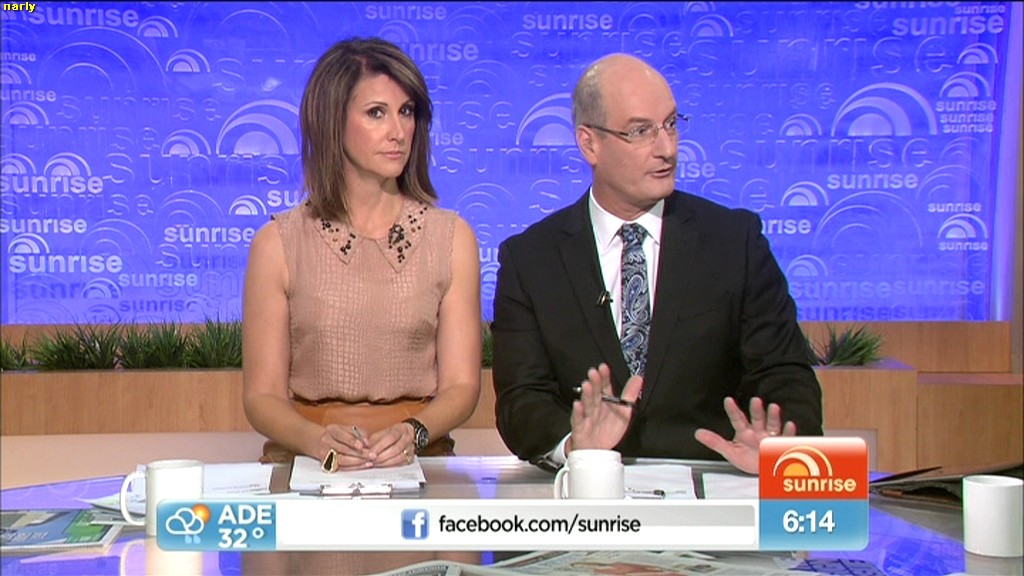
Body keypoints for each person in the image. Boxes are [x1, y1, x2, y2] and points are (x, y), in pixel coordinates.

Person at [491, 53, 822, 475]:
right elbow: (521, 402)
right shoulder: (532, 259)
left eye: (670, 125)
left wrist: (779, 446)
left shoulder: (734, 242)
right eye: (640, 131)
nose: (667, 149)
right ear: (589, 143)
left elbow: (786, 376)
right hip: (591, 494)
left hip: (714, 488)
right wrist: (577, 446)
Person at [242, 37, 481, 470]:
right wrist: (315, 440)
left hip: (416, 458)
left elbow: (462, 387)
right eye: (376, 113)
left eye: (406, 112)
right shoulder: (278, 244)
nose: (398, 132)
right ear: (332, 121)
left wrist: (414, 431)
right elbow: (262, 397)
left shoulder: (451, 238)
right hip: (309, 459)